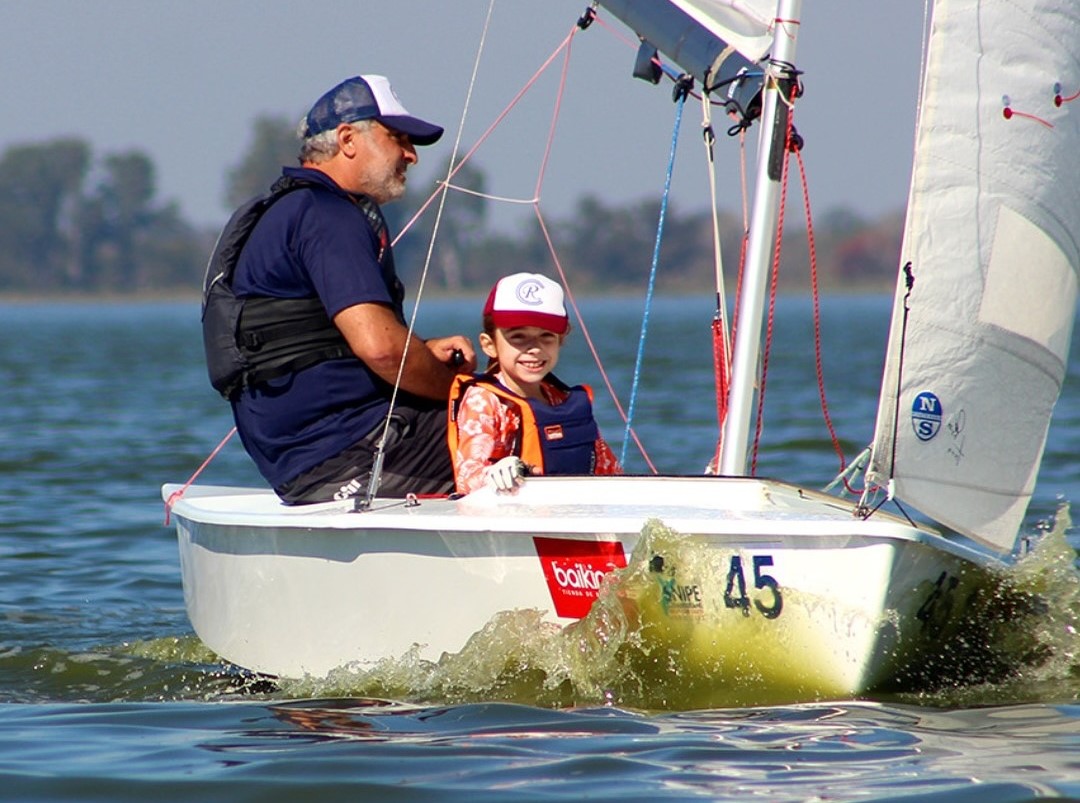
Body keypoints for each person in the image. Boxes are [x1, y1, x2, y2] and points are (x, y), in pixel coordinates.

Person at [202, 74, 477, 503]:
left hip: (302, 460)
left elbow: (331, 339)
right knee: (522, 420)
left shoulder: (293, 208)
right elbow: (382, 351)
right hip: (350, 454)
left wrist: (424, 351)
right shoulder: (328, 214)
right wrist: (459, 389)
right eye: (398, 138)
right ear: (348, 138)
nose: (411, 155)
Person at [448, 272, 621, 494]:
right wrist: (494, 473)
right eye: (518, 336)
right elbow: (468, 476)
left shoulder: (561, 399)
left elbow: (610, 469)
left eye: (546, 336)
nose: (535, 348)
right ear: (489, 344)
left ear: (561, 340)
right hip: (513, 520)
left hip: (570, 517)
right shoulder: (483, 400)